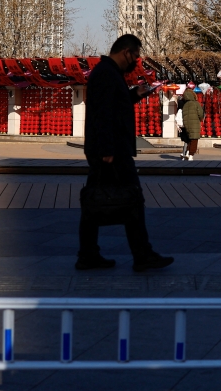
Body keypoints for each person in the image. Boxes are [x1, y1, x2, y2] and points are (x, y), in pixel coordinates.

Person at [78, 34, 173, 272]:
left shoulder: (108, 73)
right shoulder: (106, 74)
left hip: (109, 149)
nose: (137, 62)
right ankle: (141, 255)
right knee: (131, 200)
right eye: (136, 56)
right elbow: (102, 113)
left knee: (97, 201)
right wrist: (107, 148)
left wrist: (133, 95)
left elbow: (113, 106)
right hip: (112, 151)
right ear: (126, 52)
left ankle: (89, 255)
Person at [180, 88, 204, 161]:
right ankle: (191, 155)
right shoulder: (195, 103)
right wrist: (200, 119)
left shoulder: (185, 105)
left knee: (190, 139)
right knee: (194, 139)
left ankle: (187, 153)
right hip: (195, 124)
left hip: (187, 124)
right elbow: (200, 114)